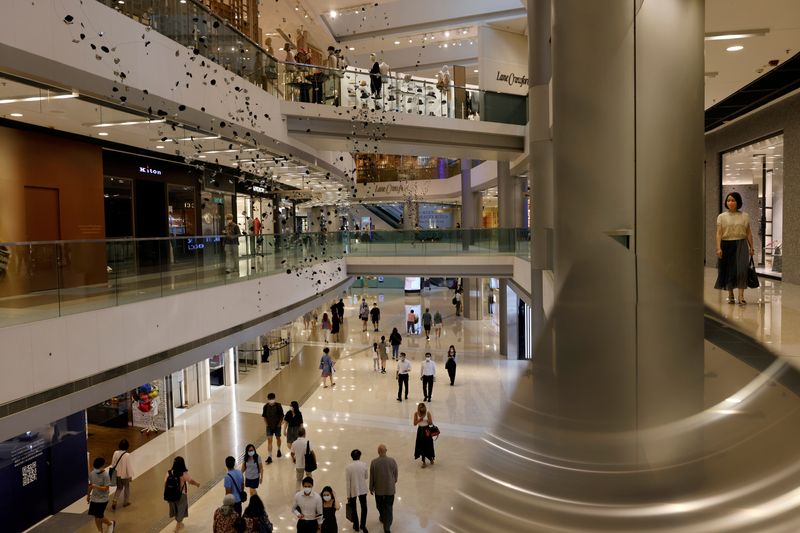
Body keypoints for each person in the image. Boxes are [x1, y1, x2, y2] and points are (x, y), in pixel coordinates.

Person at [715, 191, 757, 305]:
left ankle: (741, 296)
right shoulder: (721, 217)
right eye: (728, 200)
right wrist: (718, 248)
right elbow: (719, 233)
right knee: (729, 270)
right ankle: (730, 295)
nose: (730, 202)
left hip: (741, 244)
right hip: (726, 244)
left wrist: (751, 247)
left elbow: (748, 232)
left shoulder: (745, 216)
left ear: (738, 202)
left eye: (733, 200)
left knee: (742, 270)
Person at [166, 456, 201, 531]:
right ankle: (177, 528)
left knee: (175, 509)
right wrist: (197, 484)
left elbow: (165, 483)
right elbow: (190, 481)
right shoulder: (183, 473)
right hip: (181, 495)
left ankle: (180, 524)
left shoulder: (169, 472)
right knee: (181, 510)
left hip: (171, 495)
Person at [369, 444, 398, 533]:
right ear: (386, 451)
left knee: (380, 505)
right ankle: (387, 526)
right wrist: (393, 481)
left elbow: (372, 476)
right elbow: (396, 474)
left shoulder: (374, 462)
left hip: (379, 490)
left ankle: (383, 518)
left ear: (378, 452)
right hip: (390, 489)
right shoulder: (392, 461)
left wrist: (371, 487)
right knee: (389, 507)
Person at [87, 457, 115, 533]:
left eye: (97, 467)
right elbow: (90, 485)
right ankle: (100, 531)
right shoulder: (92, 473)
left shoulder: (105, 475)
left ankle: (110, 523)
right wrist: (88, 495)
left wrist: (95, 486)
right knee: (96, 516)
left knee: (99, 515)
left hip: (103, 499)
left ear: (102, 466)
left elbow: (106, 488)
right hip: (94, 498)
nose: (95, 469)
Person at [345, 449, 369, 533]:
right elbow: (366, 477)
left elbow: (348, 482)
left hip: (352, 490)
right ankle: (363, 525)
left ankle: (356, 525)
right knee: (364, 507)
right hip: (362, 489)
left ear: (351, 457)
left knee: (353, 508)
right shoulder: (364, 465)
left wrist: (348, 495)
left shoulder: (348, 467)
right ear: (360, 456)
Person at [110, 438, 133, 510]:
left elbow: (113, 464)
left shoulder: (115, 453)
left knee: (119, 488)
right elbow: (128, 466)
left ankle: (114, 500)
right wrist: (130, 475)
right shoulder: (127, 455)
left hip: (117, 474)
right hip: (124, 475)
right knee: (127, 487)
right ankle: (126, 502)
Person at [291, 427, 316, 491]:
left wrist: (294, 459)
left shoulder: (294, 443)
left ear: (297, 434)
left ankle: (298, 491)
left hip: (299, 464)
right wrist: (315, 462)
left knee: (299, 479)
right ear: (304, 434)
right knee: (309, 478)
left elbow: (292, 453)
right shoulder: (308, 442)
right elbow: (313, 453)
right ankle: (309, 490)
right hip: (308, 464)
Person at [261, 393, 284, 464]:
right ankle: (270, 456)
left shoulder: (278, 406)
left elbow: (282, 416)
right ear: (268, 399)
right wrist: (267, 424)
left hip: (277, 426)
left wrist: (279, 424)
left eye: (272, 399)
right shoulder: (265, 407)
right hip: (269, 427)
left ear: (274, 399)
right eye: (270, 399)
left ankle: (279, 449)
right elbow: (264, 416)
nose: (271, 400)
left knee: (278, 438)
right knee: (269, 441)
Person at [413, 403, 436, 468]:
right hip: (420, 430)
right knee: (421, 445)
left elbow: (431, 423)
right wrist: (419, 420)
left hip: (427, 430)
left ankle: (431, 458)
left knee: (428, 444)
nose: (422, 412)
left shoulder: (427, 413)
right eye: (421, 411)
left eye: (423, 411)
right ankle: (423, 461)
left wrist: (427, 420)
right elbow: (414, 423)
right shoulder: (416, 413)